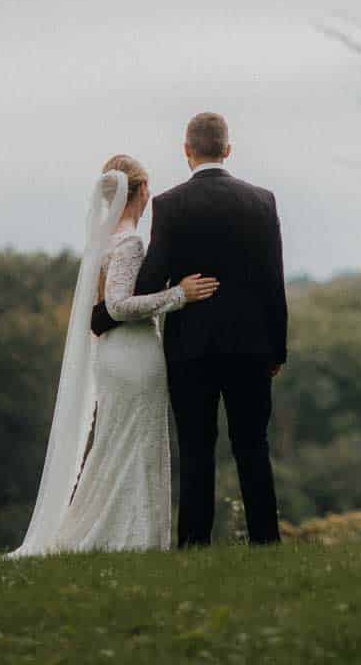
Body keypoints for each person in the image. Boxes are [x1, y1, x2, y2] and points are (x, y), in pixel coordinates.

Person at [7, 153, 217, 555]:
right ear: (139, 193)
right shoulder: (131, 241)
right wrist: (179, 295)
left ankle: (107, 532)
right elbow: (120, 306)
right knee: (133, 443)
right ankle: (131, 537)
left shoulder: (102, 242)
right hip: (134, 354)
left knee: (114, 442)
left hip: (113, 355)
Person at [135, 112, 287, 546]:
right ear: (228, 149)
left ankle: (194, 546)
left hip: (190, 350)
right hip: (252, 349)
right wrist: (277, 350)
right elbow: (273, 283)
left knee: (197, 452)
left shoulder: (169, 205)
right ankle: (266, 543)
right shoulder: (262, 201)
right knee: (253, 448)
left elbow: (151, 282)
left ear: (186, 151)